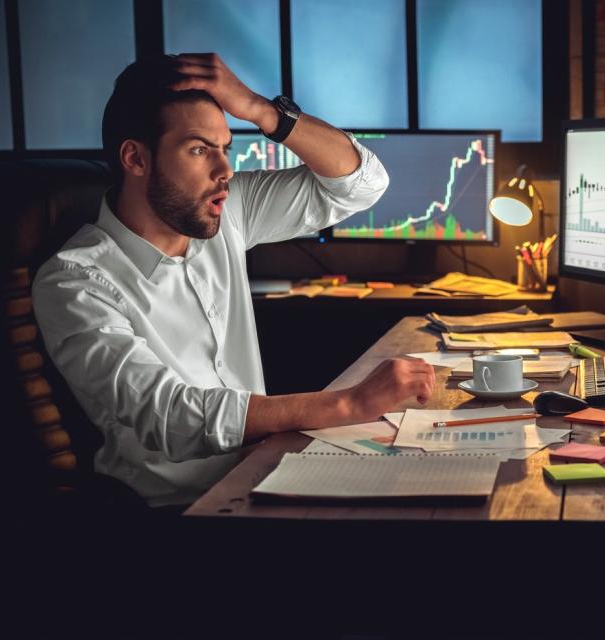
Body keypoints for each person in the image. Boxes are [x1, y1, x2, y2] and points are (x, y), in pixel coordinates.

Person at [32, 54, 435, 507]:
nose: (224, 171)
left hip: (267, 474)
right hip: (181, 511)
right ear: (136, 158)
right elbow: (168, 414)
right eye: (200, 149)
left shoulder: (228, 210)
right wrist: (346, 404)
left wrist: (263, 111)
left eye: (225, 147)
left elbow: (364, 184)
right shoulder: (74, 281)